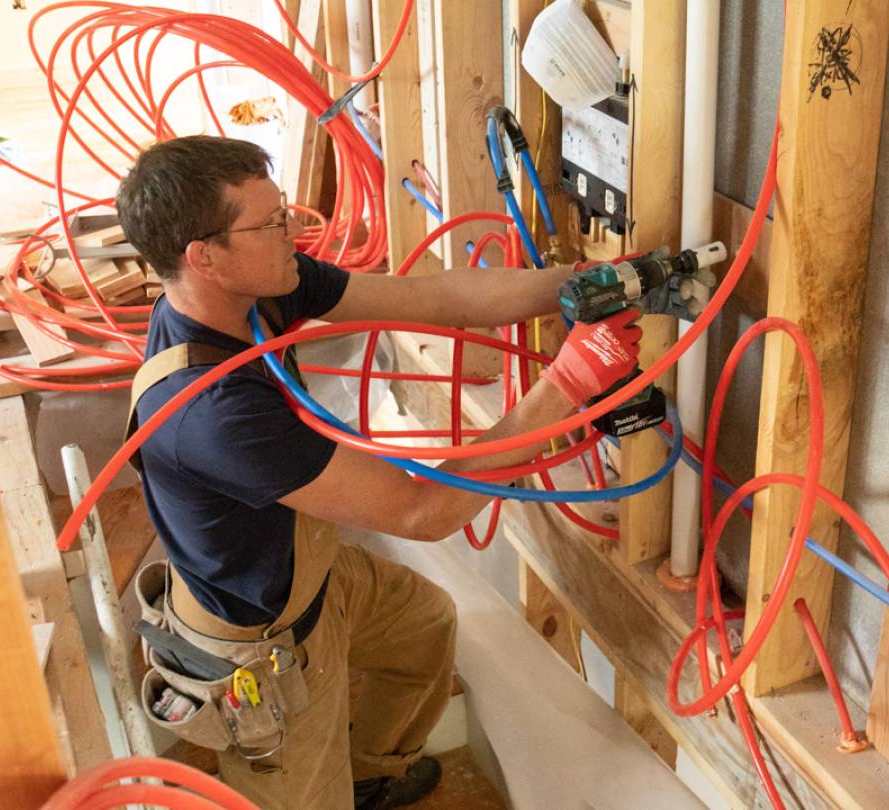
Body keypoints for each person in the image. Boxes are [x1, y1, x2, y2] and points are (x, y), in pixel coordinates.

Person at [115, 136, 642, 809]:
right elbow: (422, 512)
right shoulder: (212, 414)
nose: (296, 229)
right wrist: (565, 385)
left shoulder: (257, 291)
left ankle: (370, 778)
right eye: (272, 222)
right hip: (261, 648)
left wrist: (577, 288)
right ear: (204, 255)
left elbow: (436, 297)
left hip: (307, 579)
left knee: (424, 627)